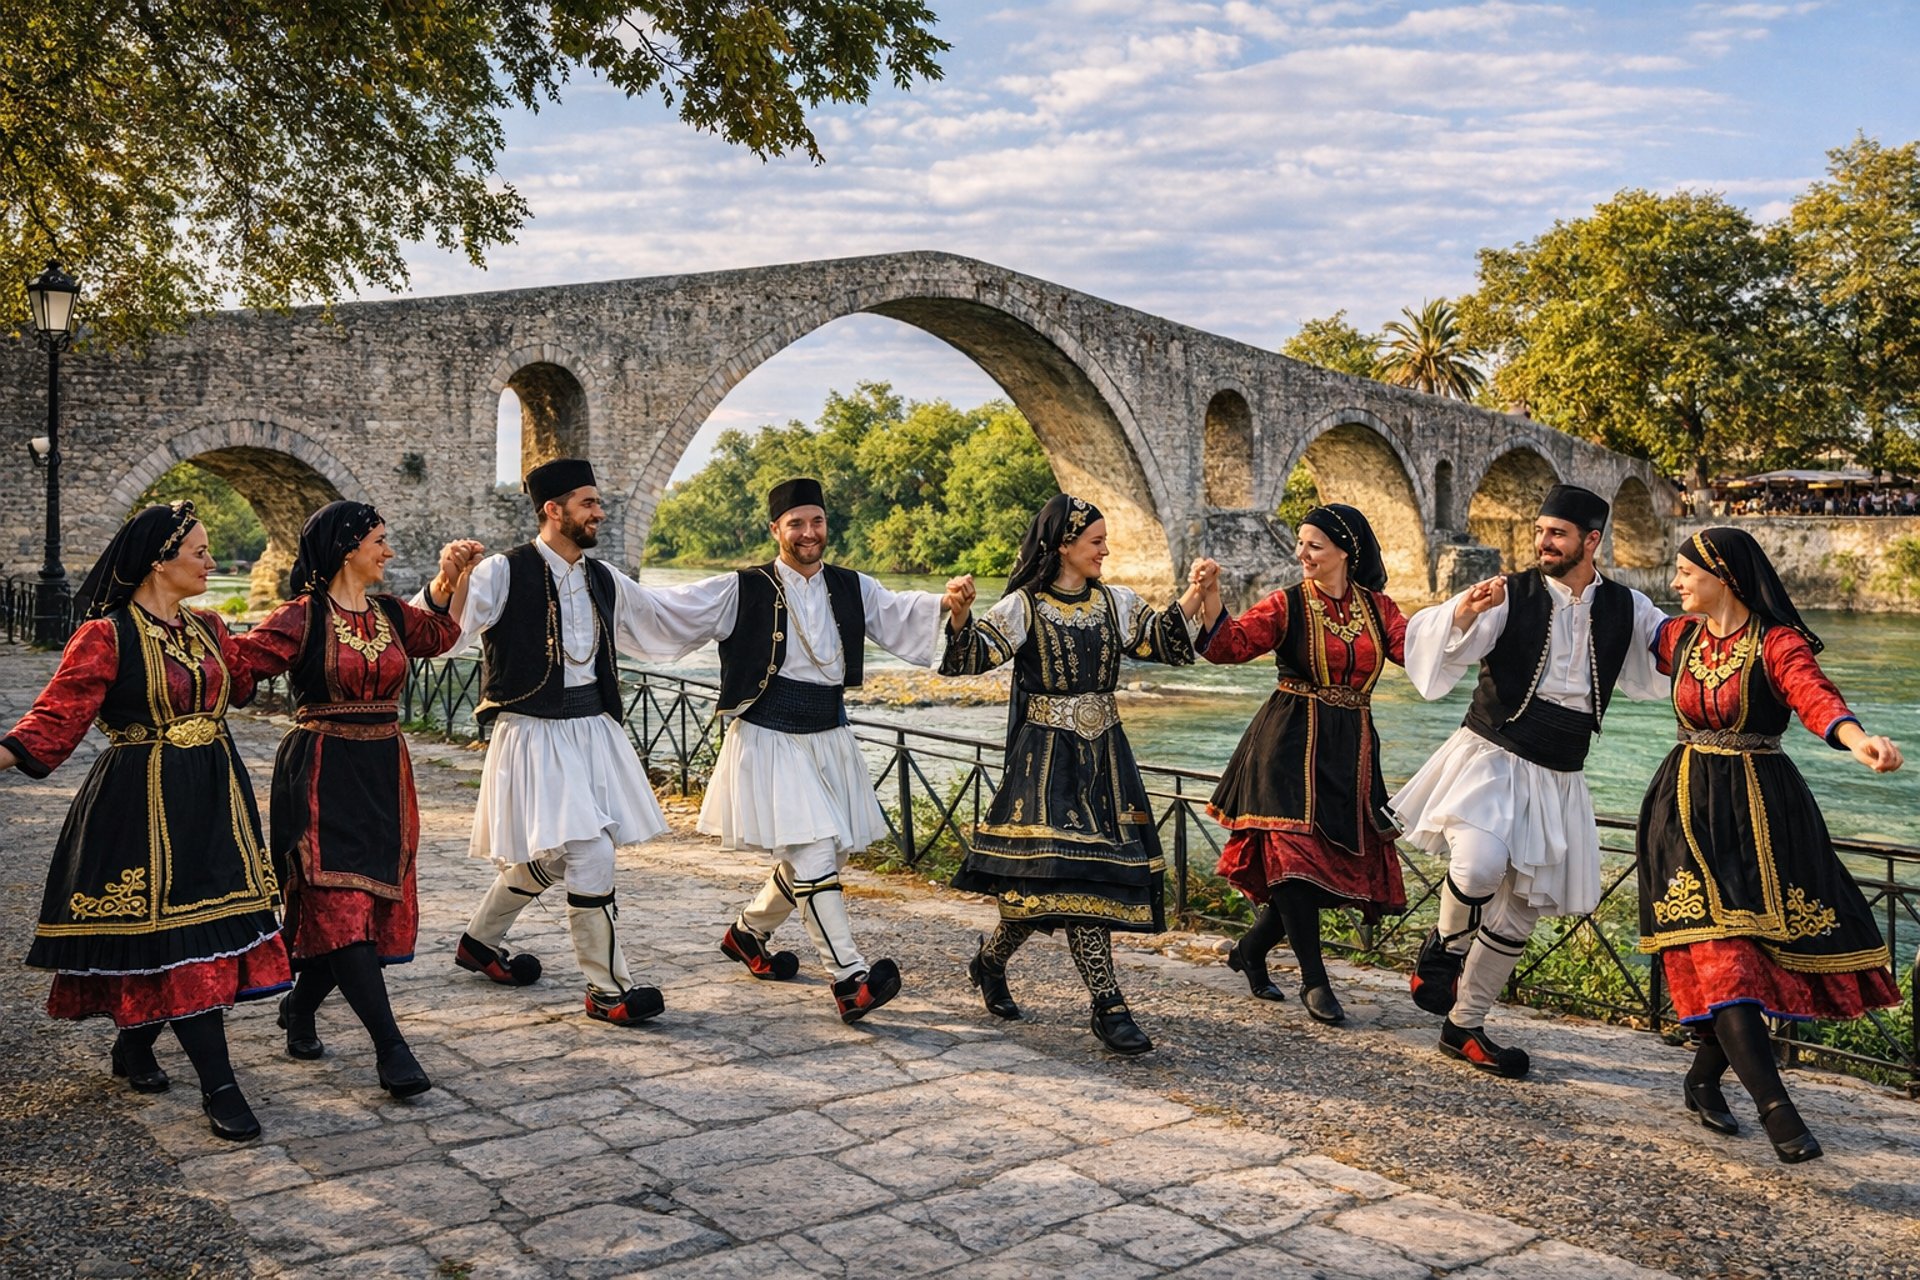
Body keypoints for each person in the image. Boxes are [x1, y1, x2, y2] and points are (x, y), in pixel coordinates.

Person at [625, 478, 971, 1022]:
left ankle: (748, 933)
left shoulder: (852, 586)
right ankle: (850, 979)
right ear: (775, 530)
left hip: (829, 733)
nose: (809, 533)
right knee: (812, 852)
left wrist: (950, 604)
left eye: (817, 522)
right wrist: (605, 591)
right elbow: (667, 610)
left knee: (829, 854)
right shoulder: (742, 588)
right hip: (770, 734)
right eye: (796, 524)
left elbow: (904, 613)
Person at [0, 503, 290, 1141]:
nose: (210, 563)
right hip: (142, 803)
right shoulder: (106, 636)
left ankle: (134, 1044)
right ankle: (220, 1085)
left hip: (215, 798)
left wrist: (328, 610)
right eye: (199, 552)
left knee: (197, 932)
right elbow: (55, 716)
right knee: (174, 940)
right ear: (160, 561)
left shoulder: (209, 628)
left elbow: (253, 670)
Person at [1639, 527, 1902, 1162]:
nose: (1675, 583)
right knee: (1721, 954)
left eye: (1686, 573)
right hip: (1684, 810)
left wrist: (1858, 740)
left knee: (1752, 959)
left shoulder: (1777, 644)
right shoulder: (1677, 637)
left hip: (1763, 815)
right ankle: (1778, 1113)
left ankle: (1703, 1079)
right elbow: (1599, 613)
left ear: (1724, 576)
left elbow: (1815, 697)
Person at [1390, 484, 1668, 1078]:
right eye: (1540, 531)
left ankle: (1464, 1027)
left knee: (1518, 913)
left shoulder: (1629, 606)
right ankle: (1445, 947)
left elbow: (1672, 653)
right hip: (1494, 754)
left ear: (1591, 541)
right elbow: (1438, 643)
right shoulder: (1508, 592)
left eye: (1557, 534)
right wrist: (1465, 611)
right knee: (1478, 867)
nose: (1544, 542)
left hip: (1561, 772)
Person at [941, 494, 1210, 1054]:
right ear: (1063, 545)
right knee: (1072, 882)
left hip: (1106, 758)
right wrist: (961, 615)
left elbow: (1163, 641)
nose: (1105, 551)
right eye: (1096, 541)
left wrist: (1194, 593)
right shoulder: (1023, 607)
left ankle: (989, 962)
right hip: (1046, 765)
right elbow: (972, 659)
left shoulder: (1115, 602)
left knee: (1057, 889)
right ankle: (1109, 1007)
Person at [232, 502, 472, 1095]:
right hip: (320, 773)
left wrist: (452, 578)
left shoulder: (390, 613)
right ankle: (391, 1048)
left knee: (360, 909)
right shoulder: (300, 616)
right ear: (347, 549)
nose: (388, 551)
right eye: (379, 541)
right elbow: (238, 668)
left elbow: (441, 635)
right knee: (337, 904)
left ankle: (299, 1007)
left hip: (384, 774)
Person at [435, 458, 683, 1027]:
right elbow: (445, 636)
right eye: (589, 503)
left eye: (598, 502)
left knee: (555, 854)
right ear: (553, 509)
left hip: (592, 729)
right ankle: (607, 991)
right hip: (534, 733)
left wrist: (744, 598)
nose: (600, 512)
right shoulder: (502, 571)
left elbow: (670, 616)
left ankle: (478, 942)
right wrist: (448, 583)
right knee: (592, 852)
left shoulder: (605, 577)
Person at [1197, 504, 1408, 1025]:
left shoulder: (1379, 609)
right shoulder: (1286, 604)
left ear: (1345, 552)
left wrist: (1469, 616)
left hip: (1352, 752)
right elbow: (1229, 647)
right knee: (1292, 860)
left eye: (1314, 545)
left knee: (1322, 871)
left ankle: (1250, 950)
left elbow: (1418, 651)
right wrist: (1211, 594)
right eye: (1300, 543)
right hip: (1288, 744)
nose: (1302, 554)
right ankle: (1315, 981)